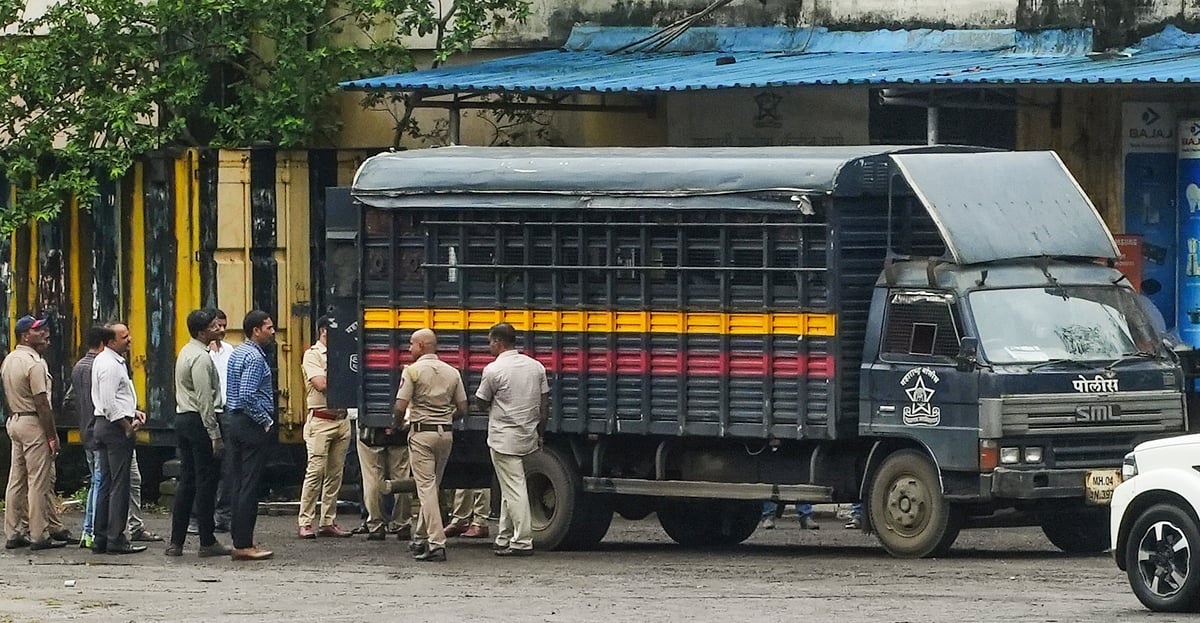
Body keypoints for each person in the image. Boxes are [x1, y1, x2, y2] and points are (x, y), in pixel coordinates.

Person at [393, 328, 467, 562]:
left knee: (425, 489)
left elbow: (400, 406)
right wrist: (446, 419)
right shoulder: (452, 372)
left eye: (412, 344)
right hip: (445, 434)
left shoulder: (412, 372)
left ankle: (436, 543)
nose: (409, 348)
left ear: (422, 346)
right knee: (432, 488)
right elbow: (464, 408)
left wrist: (398, 425)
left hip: (421, 434)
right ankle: (420, 537)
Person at [475, 322, 547, 557]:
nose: (489, 346)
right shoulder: (536, 367)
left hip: (504, 438)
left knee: (514, 489)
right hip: (528, 434)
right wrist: (540, 433)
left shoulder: (494, 370)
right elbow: (544, 404)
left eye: (489, 341)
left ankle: (522, 540)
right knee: (510, 487)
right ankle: (504, 536)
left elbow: (481, 402)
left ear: (498, 341)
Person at [167, 309, 232, 558]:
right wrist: (215, 435)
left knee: (187, 481)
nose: (220, 329)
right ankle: (207, 540)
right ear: (202, 332)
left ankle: (176, 541)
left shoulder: (186, 352)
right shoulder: (202, 359)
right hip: (199, 421)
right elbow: (205, 400)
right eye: (214, 327)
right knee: (206, 483)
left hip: (183, 417)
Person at [3, 315, 68, 551]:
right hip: (33, 422)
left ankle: (13, 532)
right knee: (38, 481)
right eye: (38, 330)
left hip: (14, 420)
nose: (44, 333)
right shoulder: (35, 363)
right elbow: (42, 402)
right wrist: (51, 435)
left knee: (16, 480)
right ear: (25, 336)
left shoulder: (9, 360)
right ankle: (39, 534)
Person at [223, 310, 277, 561]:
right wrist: (265, 421)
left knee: (238, 482)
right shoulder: (255, 358)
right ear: (256, 330)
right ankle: (244, 544)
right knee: (249, 484)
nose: (273, 331)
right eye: (268, 327)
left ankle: (239, 539)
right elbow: (247, 394)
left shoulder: (237, 352)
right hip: (249, 424)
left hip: (233, 421)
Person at [91, 321, 147, 555]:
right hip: (114, 428)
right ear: (111, 341)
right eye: (124, 336)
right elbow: (109, 402)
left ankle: (101, 536)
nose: (130, 339)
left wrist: (132, 410)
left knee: (105, 482)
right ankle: (116, 538)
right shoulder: (110, 365)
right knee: (119, 485)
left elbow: (114, 397)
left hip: (105, 425)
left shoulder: (106, 361)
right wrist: (126, 425)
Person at [297, 316, 352, 538]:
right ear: (323, 331)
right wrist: (345, 378)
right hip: (320, 420)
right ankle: (305, 520)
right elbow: (320, 384)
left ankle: (328, 520)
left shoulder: (342, 354)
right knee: (315, 472)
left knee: (335, 474)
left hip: (341, 419)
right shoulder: (313, 355)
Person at [65, 325, 114, 549]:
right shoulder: (100, 366)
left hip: (86, 430)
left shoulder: (78, 367)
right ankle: (91, 530)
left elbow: (70, 400)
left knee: (96, 480)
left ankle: (89, 531)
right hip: (99, 431)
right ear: (104, 343)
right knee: (100, 481)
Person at [191, 308, 235, 534]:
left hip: (226, 411)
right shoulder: (199, 354)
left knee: (228, 468)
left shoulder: (229, 350)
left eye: (224, 326)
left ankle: (223, 516)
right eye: (218, 326)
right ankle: (199, 517)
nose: (222, 330)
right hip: (207, 413)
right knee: (205, 469)